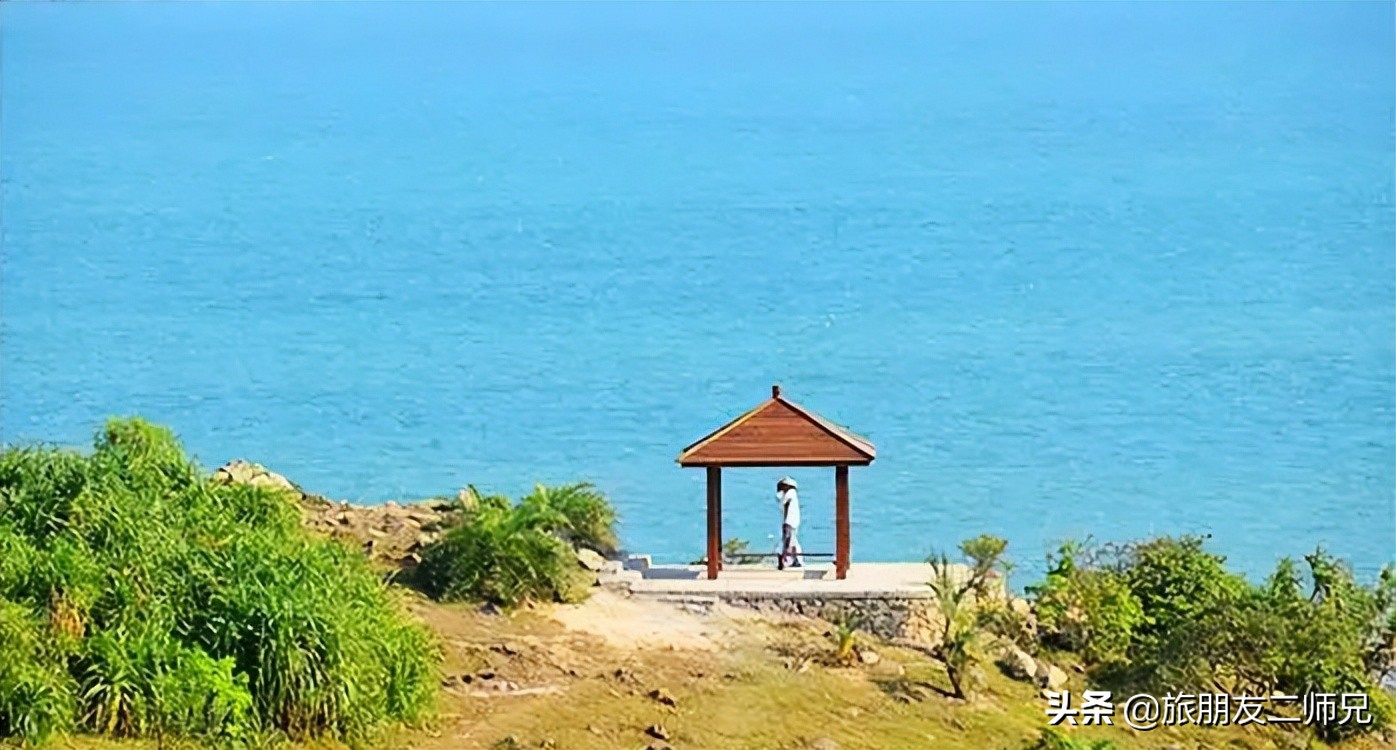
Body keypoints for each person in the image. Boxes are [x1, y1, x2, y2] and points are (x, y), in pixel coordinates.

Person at [776, 477, 803, 569]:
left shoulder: (790, 493)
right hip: (792, 521)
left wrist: (785, 521)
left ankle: (787, 560)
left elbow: (784, 503)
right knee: (792, 541)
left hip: (790, 521)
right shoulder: (792, 494)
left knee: (788, 541)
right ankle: (796, 560)